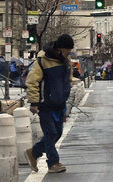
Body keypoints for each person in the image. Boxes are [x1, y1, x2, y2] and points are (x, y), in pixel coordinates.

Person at [25, 34, 74, 174]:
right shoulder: (43, 61)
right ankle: (53, 163)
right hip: (44, 104)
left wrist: (66, 93)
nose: (68, 53)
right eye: (67, 50)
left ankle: (34, 152)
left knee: (57, 133)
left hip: (60, 104)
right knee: (51, 133)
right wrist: (34, 102)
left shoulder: (66, 60)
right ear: (59, 49)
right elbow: (32, 81)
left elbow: (67, 80)